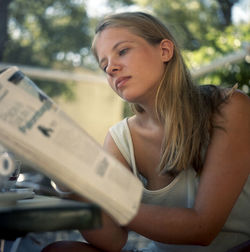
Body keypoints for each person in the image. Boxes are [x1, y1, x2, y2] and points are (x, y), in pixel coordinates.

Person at [42, 11, 250, 252]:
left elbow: (203, 228)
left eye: (122, 51)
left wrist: (114, 203)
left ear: (164, 51)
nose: (111, 68)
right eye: (104, 64)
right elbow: (112, 241)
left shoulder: (231, 107)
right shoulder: (121, 139)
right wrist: (69, 186)